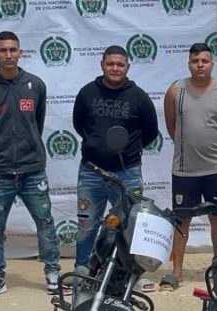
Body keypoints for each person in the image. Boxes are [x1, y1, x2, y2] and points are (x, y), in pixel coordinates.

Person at [0, 31, 62, 298]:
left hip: (32, 169)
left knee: (45, 222)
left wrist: (29, 147)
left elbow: (38, 123)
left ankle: (53, 272)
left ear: (21, 52)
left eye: (13, 50)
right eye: (3, 50)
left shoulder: (35, 85)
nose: (8, 55)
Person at [71, 45, 158, 275]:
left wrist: (129, 151)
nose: (115, 68)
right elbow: (79, 125)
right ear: (102, 65)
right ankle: (83, 271)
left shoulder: (138, 97)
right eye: (110, 64)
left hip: (127, 172)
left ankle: (131, 274)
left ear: (127, 66)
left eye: (120, 64)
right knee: (87, 225)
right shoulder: (87, 93)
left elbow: (150, 132)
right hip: (92, 172)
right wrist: (96, 146)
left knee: (132, 224)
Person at [162, 43, 217, 291]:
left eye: (204, 60)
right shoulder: (175, 91)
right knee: (182, 220)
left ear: (212, 63)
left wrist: (215, 153)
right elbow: (172, 128)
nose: (200, 65)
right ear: (189, 63)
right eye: (195, 61)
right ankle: (176, 271)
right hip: (185, 170)